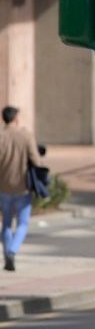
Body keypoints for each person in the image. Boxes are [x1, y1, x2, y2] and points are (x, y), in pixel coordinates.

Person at [0, 106, 40, 272]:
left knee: (6, 223)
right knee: (23, 223)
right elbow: (36, 161)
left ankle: (7, 253)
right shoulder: (25, 136)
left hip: (3, 186)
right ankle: (12, 250)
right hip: (23, 186)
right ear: (16, 118)